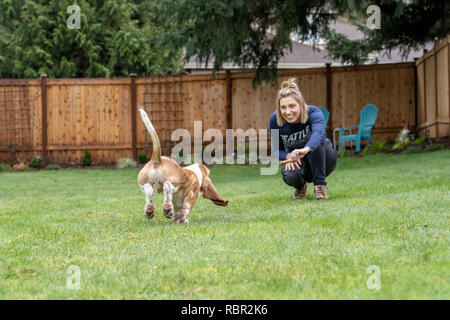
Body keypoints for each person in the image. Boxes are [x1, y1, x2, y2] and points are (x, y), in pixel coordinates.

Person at [269, 78, 337, 200]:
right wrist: (288, 156)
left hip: (325, 160)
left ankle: (320, 186)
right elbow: (275, 150)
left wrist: (305, 150)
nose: (288, 112)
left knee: (315, 138)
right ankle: (300, 187)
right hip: (301, 163)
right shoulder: (275, 120)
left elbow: (318, 134)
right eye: (283, 107)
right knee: (290, 175)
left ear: (301, 104)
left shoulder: (314, 113)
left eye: (292, 106)